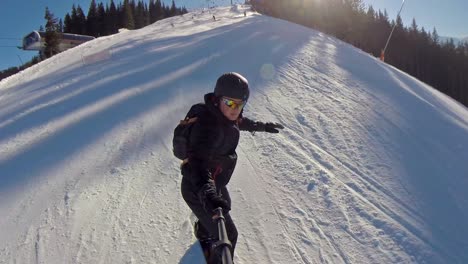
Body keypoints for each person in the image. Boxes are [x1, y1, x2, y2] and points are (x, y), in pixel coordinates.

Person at [179, 72, 284, 262]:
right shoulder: (207, 127)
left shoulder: (224, 114)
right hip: (198, 188)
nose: (235, 109)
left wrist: (262, 126)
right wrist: (208, 195)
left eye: (240, 104)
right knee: (228, 235)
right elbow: (198, 164)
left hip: (214, 182)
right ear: (218, 100)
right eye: (230, 103)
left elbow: (239, 121)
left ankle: (203, 230)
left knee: (225, 207)